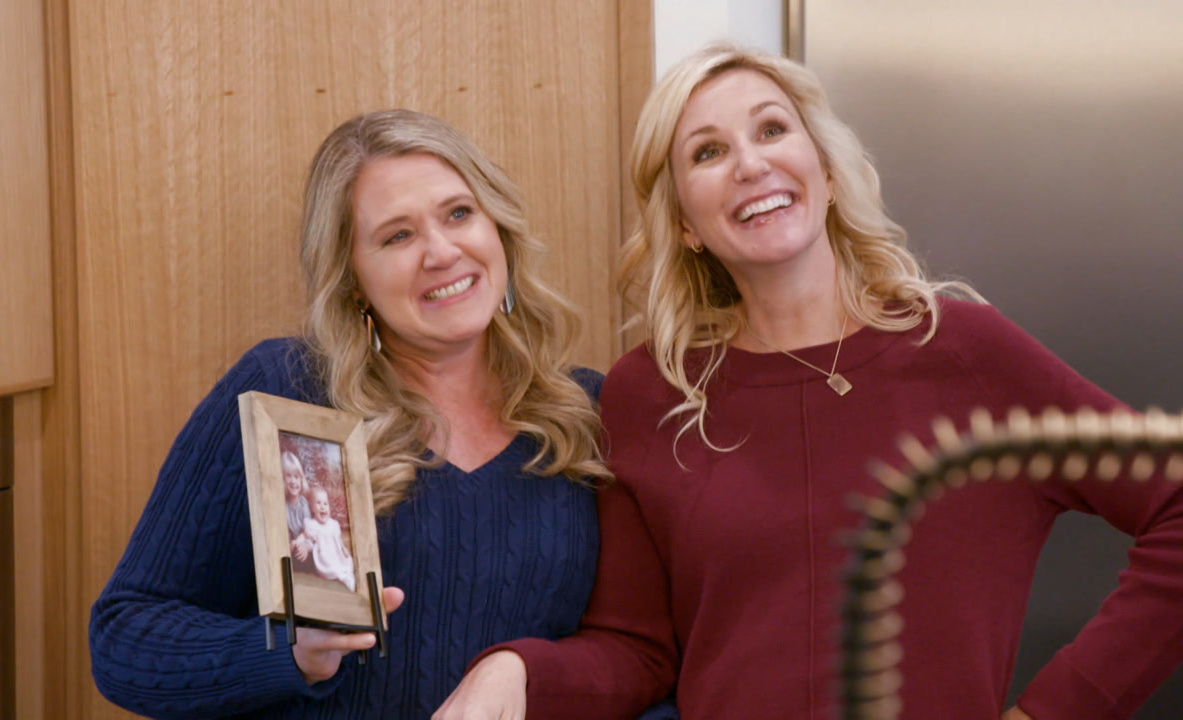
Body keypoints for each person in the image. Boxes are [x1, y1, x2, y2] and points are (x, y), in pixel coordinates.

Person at [437, 44, 1183, 720]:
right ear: (686, 223)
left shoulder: (966, 354)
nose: (750, 165)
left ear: (825, 172)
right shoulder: (649, 393)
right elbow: (638, 651)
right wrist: (516, 671)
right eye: (707, 152)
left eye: (771, 130)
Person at [89, 108, 615, 719]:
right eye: (397, 236)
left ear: (498, 228)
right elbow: (125, 637)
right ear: (354, 281)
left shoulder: (586, 414)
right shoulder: (289, 393)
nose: (442, 252)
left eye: (458, 214)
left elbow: (637, 654)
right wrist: (288, 653)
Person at [303, 485, 356, 591]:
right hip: (325, 556)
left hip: (336, 553)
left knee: (348, 561)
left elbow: (338, 539)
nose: (322, 507)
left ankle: (347, 576)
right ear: (312, 508)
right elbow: (309, 538)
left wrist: (343, 548)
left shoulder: (333, 524)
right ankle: (340, 576)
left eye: (325, 503)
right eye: (318, 503)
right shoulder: (311, 524)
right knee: (332, 568)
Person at [283, 449, 314, 565]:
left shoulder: (303, 505)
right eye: (288, 476)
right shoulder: (283, 505)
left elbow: (310, 532)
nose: (293, 481)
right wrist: (290, 544)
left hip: (306, 543)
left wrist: (306, 546)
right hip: (292, 547)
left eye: (296, 477)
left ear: (301, 480)